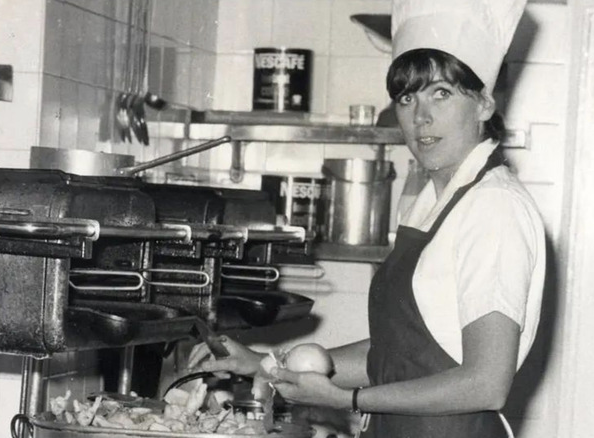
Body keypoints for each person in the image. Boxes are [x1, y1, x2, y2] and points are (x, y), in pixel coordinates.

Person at [188, 0, 545, 436]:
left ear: (485, 104)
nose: (421, 117)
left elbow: (486, 384)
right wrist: (268, 363)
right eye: (407, 97)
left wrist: (346, 400)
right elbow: (394, 355)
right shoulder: (430, 200)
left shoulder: (493, 206)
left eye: (443, 93)